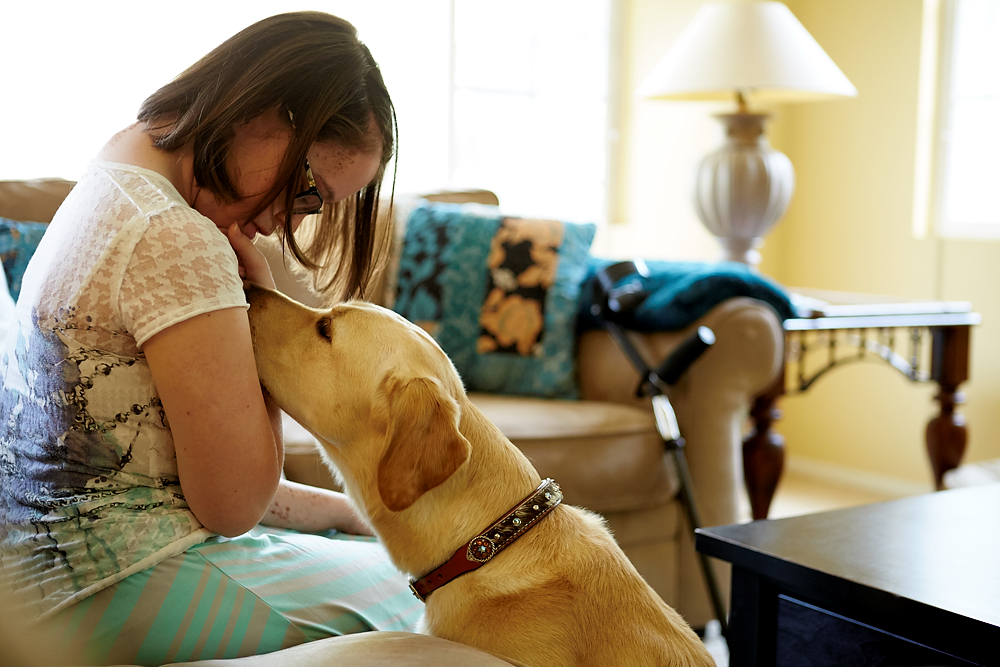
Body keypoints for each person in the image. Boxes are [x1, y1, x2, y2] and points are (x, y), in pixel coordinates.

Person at [0, 12, 422, 666]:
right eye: (310, 190)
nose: (290, 220)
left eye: (315, 209)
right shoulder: (176, 237)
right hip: (113, 589)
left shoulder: (117, 170)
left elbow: (160, 476)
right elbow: (232, 505)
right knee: (436, 595)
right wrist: (261, 319)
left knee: (376, 543)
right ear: (265, 111)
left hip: (49, 576)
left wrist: (345, 510)